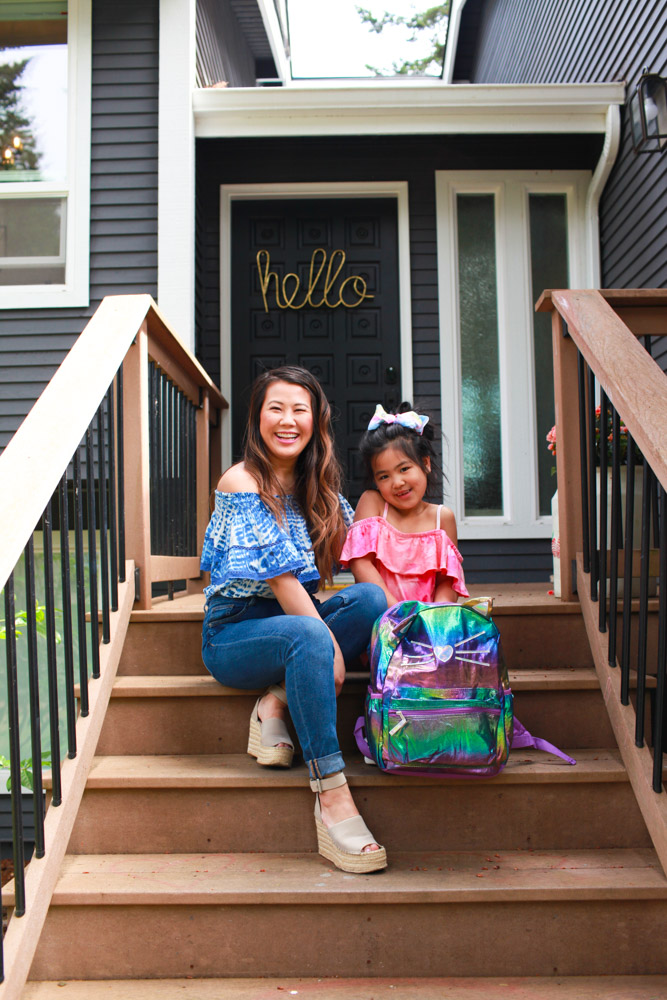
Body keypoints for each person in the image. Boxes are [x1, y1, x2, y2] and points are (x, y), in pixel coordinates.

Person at [200, 366, 388, 874]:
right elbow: (283, 582)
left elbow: (359, 557)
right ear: (258, 418)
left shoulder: (320, 487)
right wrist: (327, 644)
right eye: (275, 408)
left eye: (299, 409)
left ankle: (276, 699)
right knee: (308, 634)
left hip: (295, 623)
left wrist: (410, 613)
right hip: (235, 631)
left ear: (316, 420)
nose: (288, 420)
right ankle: (331, 793)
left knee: (370, 601)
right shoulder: (241, 482)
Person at [340, 403, 469, 605]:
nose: (397, 483)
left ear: (425, 463)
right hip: (380, 619)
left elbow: (447, 581)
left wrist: (432, 619)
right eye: (384, 476)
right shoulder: (373, 503)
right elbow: (360, 564)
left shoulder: (442, 518)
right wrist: (400, 615)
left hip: (426, 626)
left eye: (404, 469)